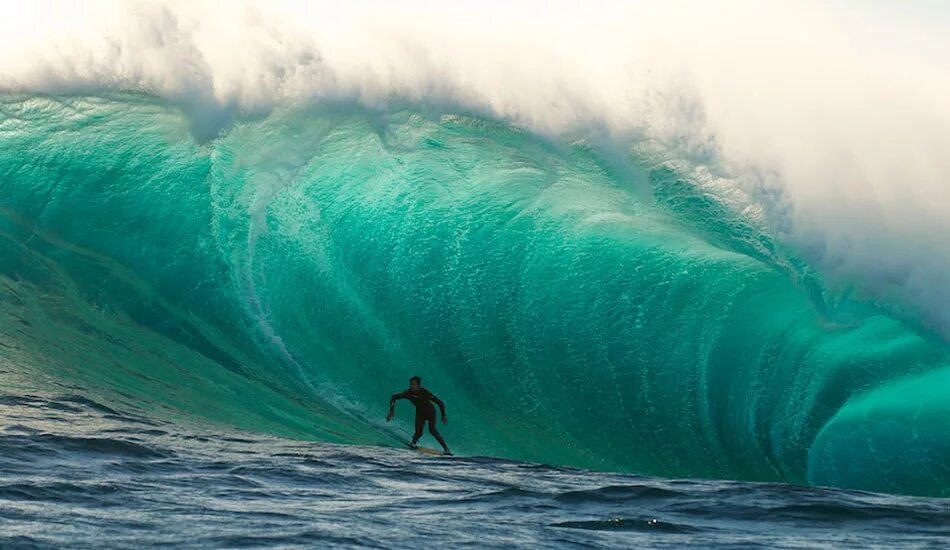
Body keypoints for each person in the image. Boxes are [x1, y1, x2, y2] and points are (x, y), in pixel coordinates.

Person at [387, 376, 451, 455]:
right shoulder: (408, 393)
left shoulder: (424, 393)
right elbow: (394, 397)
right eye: (410, 384)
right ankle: (412, 444)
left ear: (418, 385)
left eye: (413, 384)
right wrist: (391, 411)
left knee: (432, 430)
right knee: (418, 432)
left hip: (430, 412)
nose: (411, 386)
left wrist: (443, 415)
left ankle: (446, 449)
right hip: (420, 413)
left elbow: (440, 402)